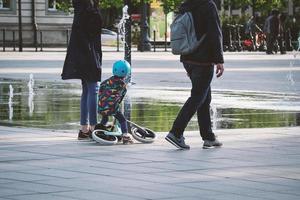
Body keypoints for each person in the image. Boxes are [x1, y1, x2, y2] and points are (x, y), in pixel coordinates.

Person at [165, 0, 224, 150]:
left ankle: (208, 137)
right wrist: (219, 60)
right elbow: (214, 32)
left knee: (204, 98)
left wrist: (187, 61)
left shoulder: (185, 5)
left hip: (188, 57)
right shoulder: (208, 6)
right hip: (203, 60)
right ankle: (176, 132)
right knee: (198, 96)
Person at [61, 0, 102, 140]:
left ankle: (84, 129)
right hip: (88, 53)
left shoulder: (81, 7)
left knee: (87, 89)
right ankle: (94, 128)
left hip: (82, 53)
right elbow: (93, 31)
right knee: (93, 88)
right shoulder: (88, 8)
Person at [97, 60, 133, 144]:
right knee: (122, 120)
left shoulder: (106, 81)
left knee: (105, 118)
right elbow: (120, 98)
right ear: (126, 73)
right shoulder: (123, 86)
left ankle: (99, 130)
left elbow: (100, 89)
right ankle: (125, 135)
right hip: (112, 107)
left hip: (101, 106)